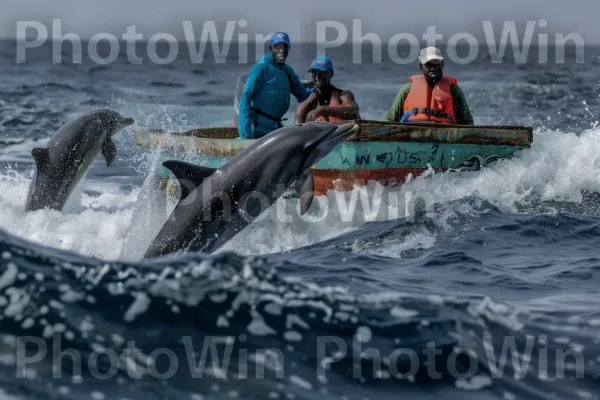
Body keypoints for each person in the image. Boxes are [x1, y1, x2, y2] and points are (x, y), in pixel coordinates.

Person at [237, 32, 312, 139]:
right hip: (257, 131)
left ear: (289, 49)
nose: (281, 51)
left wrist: (322, 90)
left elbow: (303, 96)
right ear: (270, 48)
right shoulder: (261, 67)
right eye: (278, 47)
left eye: (285, 47)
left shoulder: (287, 70)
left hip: (276, 130)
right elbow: (245, 100)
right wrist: (245, 136)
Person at [384, 47, 474, 125]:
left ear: (442, 65)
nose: (433, 68)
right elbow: (390, 118)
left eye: (436, 64)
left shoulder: (454, 91)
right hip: (411, 136)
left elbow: (467, 121)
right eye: (428, 65)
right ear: (421, 66)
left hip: (444, 138)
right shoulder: (407, 90)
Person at [294, 56, 360, 124]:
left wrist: (323, 110)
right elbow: (296, 131)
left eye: (321, 72)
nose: (317, 76)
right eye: (314, 72)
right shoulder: (305, 106)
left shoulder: (344, 95)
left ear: (331, 73)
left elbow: (353, 113)